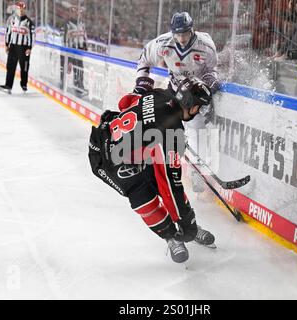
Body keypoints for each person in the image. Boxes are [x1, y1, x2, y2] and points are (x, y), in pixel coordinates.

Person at [88, 77, 216, 264]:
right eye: (198, 107)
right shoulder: (172, 132)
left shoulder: (160, 94)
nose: (197, 113)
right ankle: (172, 236)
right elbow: (171, 186)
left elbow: (125, 102)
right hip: (106, 159)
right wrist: (187, 222)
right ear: (189, 103)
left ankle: (183, 226)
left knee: (155, 178)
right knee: (144, 197)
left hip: (114, 140)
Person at [135, 12, 219, 192]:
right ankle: (161, 169)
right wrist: (141, 82)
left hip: (194, 95)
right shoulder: (162, 43)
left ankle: (198, 174)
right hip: (174, 90)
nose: (181, 38)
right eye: (177, 34)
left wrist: (211, 81)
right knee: (164, 130)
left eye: (185, 33)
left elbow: (211, 70)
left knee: (197, 133)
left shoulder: (206, 46)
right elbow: (143, 59)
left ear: (192, 29)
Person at [0, 1, 35, 94]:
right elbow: (8, 32)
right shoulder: (12, 20)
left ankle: (24, 83)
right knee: (10, 66)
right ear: (16, 9)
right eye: (19, 8)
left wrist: (29, 48)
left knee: (24, 67)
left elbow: (32, 36)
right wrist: (7, 45)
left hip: (24, 48)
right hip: (13, 47)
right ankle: (8, 85)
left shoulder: (29, 22)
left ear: (25, 10)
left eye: (23, 8)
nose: (21, 10)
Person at [60, 5, 88, 94]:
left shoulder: (82, 24)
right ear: (70, 13)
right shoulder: (66, 24)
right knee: (65, 69)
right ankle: (62, 85)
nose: (77, 13)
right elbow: (63, 39)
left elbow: (84, 36)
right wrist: (66, 53)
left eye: (78, 12)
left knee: (79, 69)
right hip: (68, 51)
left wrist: (85, 47)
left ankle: (79, 87)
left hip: (78, 50)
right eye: (74, 11)